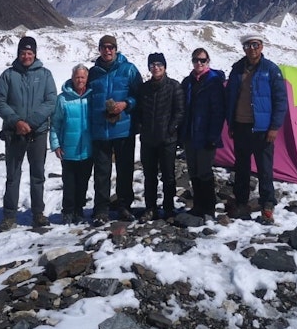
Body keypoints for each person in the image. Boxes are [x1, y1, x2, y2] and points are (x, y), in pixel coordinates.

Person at [0, 36, 57, 231]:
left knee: (37, 174)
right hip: (15, 133)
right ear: (18, 54)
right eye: (23, 53)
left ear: (35, 54)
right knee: (13, 174)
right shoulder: (8, 75)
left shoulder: (45, 75)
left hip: (37, 133)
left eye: (30, 53)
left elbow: (51, 101)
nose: (26, 56)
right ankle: (9, 215)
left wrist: (31, 122)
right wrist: (16, 121)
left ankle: (38, 213)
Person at [225, 34, 288, 223]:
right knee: (241, 167)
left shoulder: (271, 69)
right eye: (248, 45)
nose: (251, 48)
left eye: (255, 44)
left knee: (265, 169)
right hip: (240, 125)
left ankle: (267, 204)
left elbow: (281, 100)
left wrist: (274, 127)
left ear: (261, 46)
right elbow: (230, 97)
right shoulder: (237, 68)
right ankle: (241, 202)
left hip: (262, 128)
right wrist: (231, 123)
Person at [88, 34, 142, 225]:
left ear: (116, 49)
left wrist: (126, 103)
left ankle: (124, 206)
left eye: (111, 47)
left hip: (123, 129)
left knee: (125, 169)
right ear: (99, 49)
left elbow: (139, 95)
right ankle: (101, 209)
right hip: (100, 130)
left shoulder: (129, 70)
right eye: (104, 47)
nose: (107, 50)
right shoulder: (93, 73)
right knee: (102, 172)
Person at [136, 53, 184, 222]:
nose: (155, 67)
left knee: (168, 175)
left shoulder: (174, 86)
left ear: (164, 66)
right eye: (152, 65)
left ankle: (169, 208)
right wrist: (141, 127)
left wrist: (171, 128)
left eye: (159, 64)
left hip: (167, 140)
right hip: (148, 139)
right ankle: (151, 208)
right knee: (149, 175)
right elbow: (139, 111)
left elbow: (179, 111)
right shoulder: (144, 88)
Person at [178, 47, 225, 218]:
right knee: (193, 171)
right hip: (190, 134)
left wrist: (213, 136)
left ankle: (209, 206)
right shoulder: (188, 82)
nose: (199, 63)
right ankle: (198, 205)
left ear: (208, 62)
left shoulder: (214, 82)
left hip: (206, 136)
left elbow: (218, 112)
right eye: (196, 60)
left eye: (202, 60)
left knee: (205, 171)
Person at [50, 64, 93, 225]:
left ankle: (79, 210)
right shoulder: (63, 99)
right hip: (68, 148)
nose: (79, 80)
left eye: (82, 77)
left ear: (87, 78)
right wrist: (56, 145)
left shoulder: (92, 97)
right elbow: (55, 123)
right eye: (77, 77)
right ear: (72, 78)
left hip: (87, 148)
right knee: (69, 182)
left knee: (83, 182)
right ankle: (68, 210)